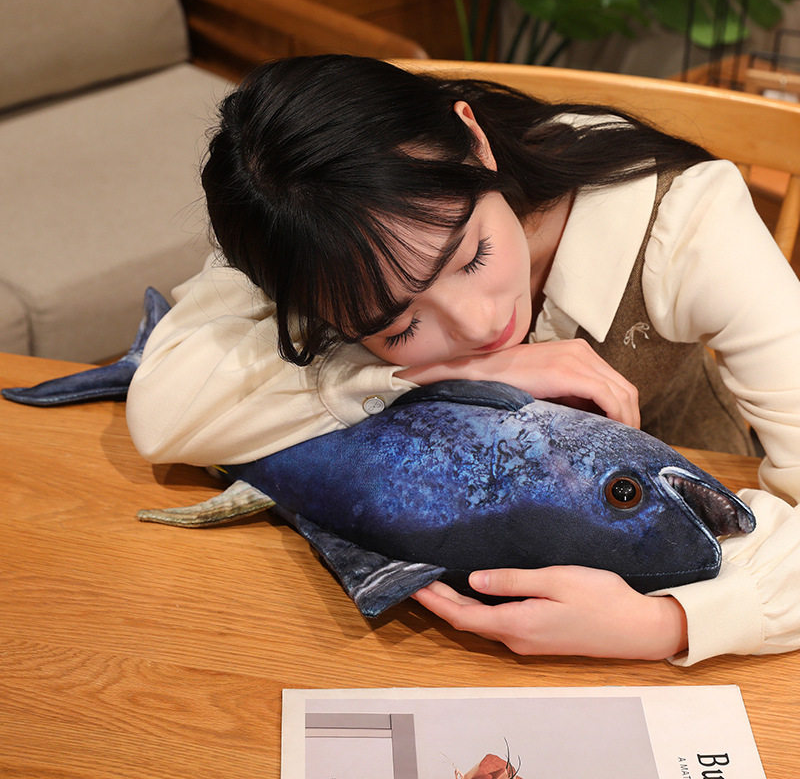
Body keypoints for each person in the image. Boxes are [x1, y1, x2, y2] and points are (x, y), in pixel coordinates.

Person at [126, 54, 800, 665]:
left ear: (474, 141)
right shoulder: (308, 224)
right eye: (398, 325)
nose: (479, 323)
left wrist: (666, 624)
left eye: (472, 255)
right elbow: (165, 412)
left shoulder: (683, 224)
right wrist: (454, 372)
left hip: (706, 541)